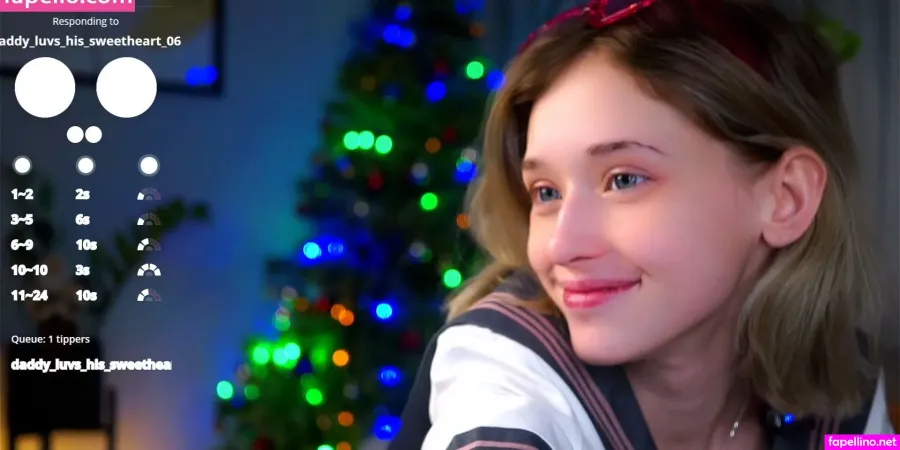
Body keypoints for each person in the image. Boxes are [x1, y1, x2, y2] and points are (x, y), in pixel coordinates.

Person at [389, 0, 896, 449]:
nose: (561, 246)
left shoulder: (842, 376)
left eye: (624, 180)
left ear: (786, 199)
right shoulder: (505, 376)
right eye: (546, 193)